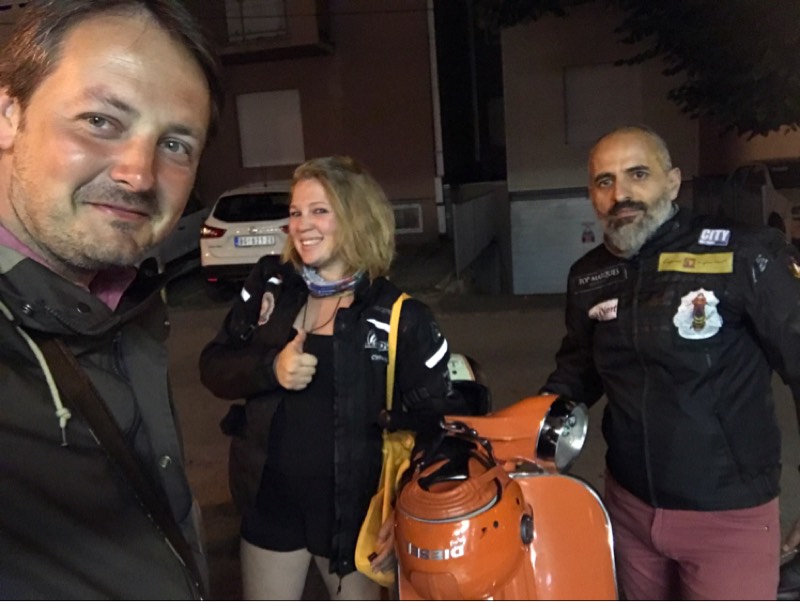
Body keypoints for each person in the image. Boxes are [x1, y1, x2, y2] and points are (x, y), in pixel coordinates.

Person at [0, 0, 223, 598]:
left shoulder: (131, 297)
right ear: (8, 115)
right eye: (100, 121)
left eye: (175, 145)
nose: (139, 174)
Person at [540, 125, 800, 600]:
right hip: (629, 511)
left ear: (673, 182)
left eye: (638, 174)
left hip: (727, 517)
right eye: (604, 181)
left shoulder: (742, 254)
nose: (621, 194)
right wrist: (527, 429)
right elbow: (578, 370)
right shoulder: (589, 276)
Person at [199, 156, 468, 600]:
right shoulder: (271, 284)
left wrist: (406, 510)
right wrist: (271, 369)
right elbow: (214, 367)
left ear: (356, 216)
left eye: (320, 210)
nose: (302, 224)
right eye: (295, 212)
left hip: (354, 515)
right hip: (270, 504)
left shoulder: (401, 316)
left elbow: (440, 425)